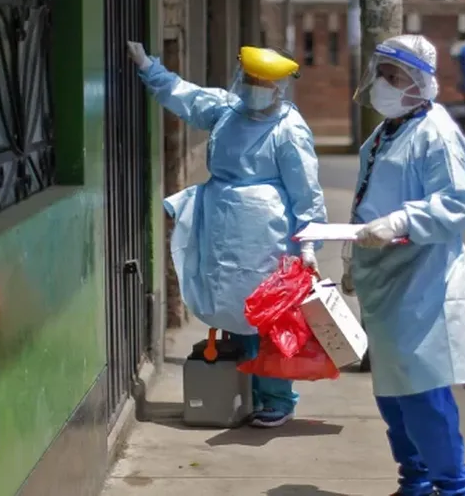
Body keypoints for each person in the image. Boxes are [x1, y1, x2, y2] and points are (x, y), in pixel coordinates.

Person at [126, 41, 327, 428]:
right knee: (235, 312)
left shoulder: (288, 129)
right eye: (250, 79)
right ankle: (245, 391)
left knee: (269, 318)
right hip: (225, 229)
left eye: (263, 82)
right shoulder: (226, 111)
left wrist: (309, 242)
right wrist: (149, 67)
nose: (255, 88)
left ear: (279, 87)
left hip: (269, 237)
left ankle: (277, 398)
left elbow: (306, 191)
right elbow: (186, 97)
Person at [341, 34, 465, 496]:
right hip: (384, 280)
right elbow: (366, 198)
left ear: (418, 81)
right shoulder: (384, 133)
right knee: (392, 391)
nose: (383, 84)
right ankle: (414, 479)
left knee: (422, 392)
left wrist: (400, 221)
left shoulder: (437, 134)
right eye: (382, 74)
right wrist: (354, 255)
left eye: (394, 76)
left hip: (422, 280)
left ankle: (452, 486)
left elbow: (454, 206)